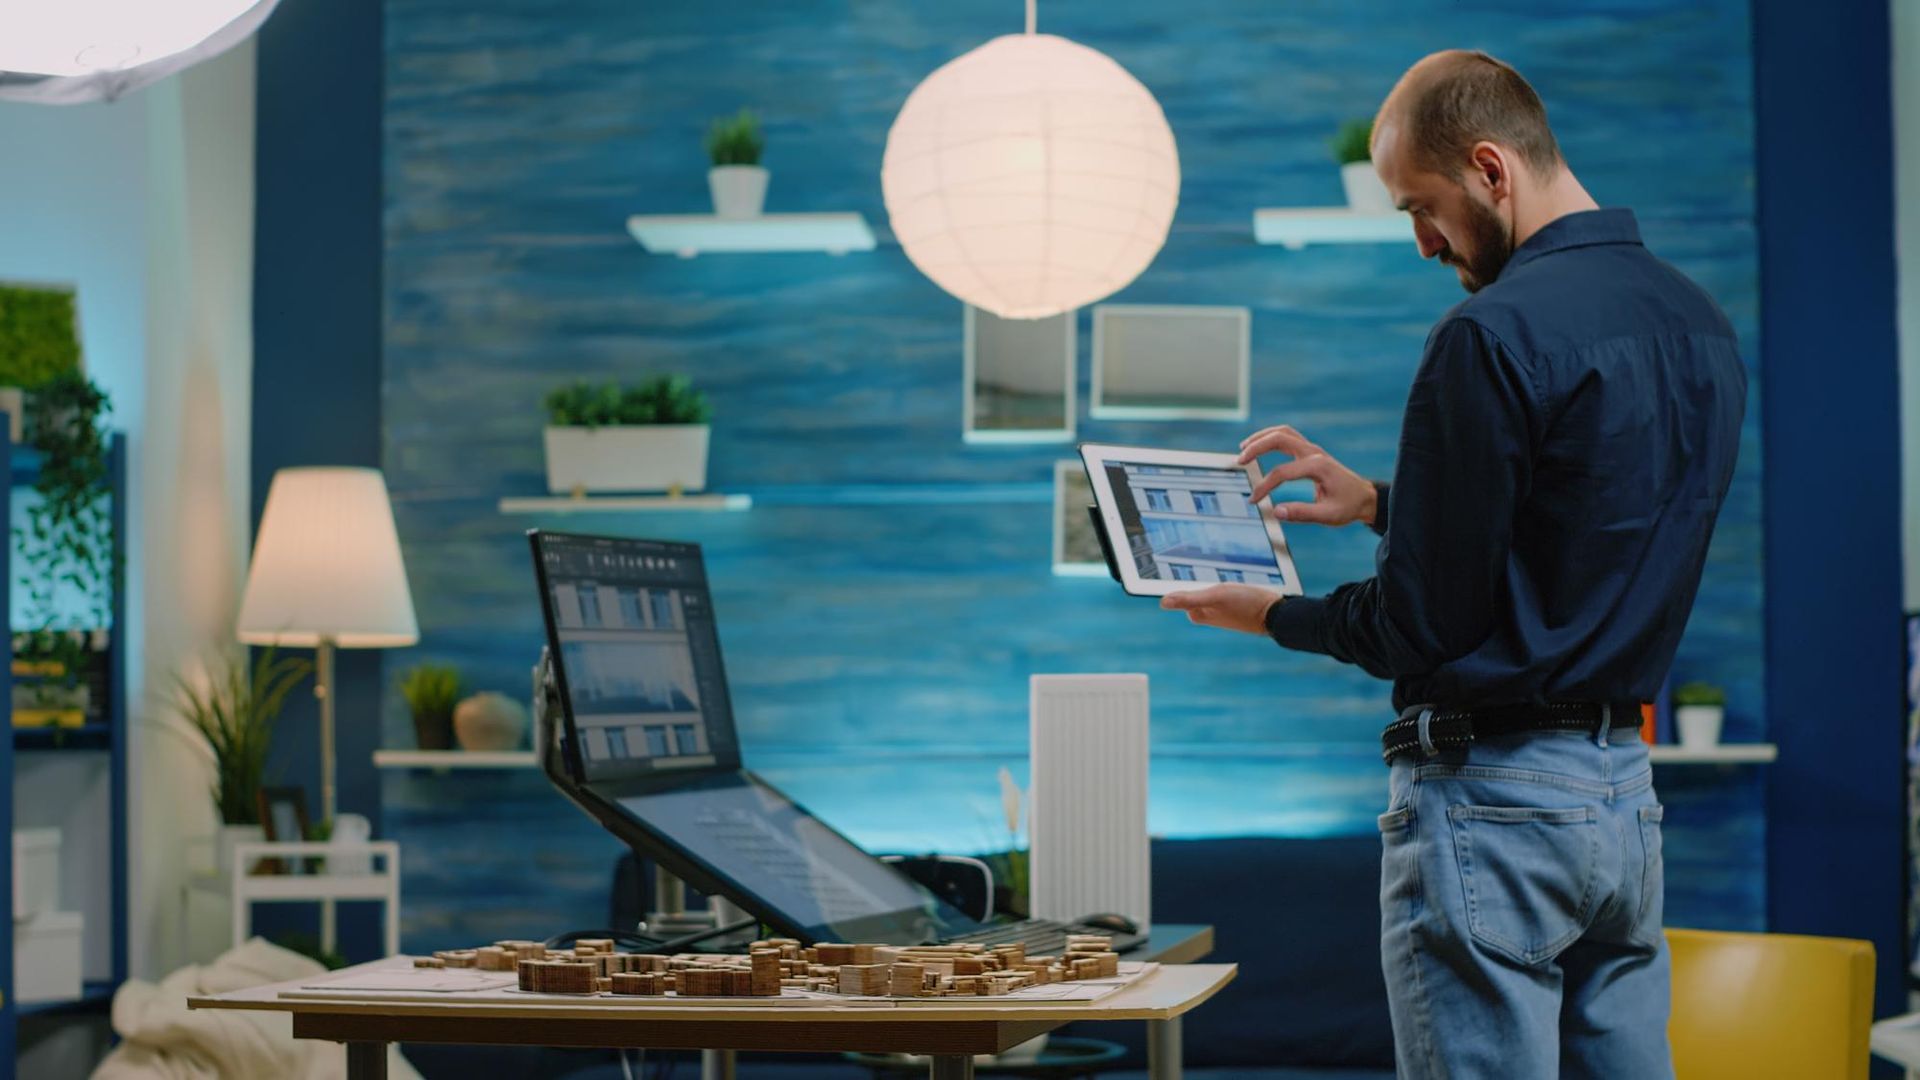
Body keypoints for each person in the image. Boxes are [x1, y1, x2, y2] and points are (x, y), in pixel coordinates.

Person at [1160, 50, 1746, 1078]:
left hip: (1492, 805)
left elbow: (1417, 625)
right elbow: (1575, 532)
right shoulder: (1697, 324)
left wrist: (1268, 613)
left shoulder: (1489, 332)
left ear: (1489, 168)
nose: (1425, 243)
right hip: (1621, 799)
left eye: (1420, 209)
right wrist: (1387, 504)